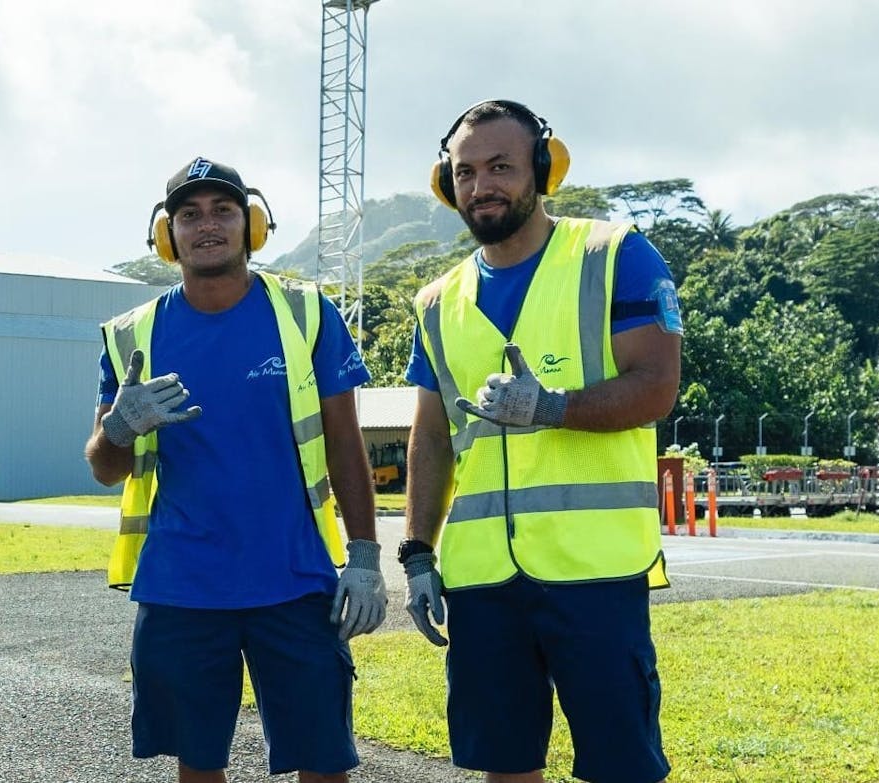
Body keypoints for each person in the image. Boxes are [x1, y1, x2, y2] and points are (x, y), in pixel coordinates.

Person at [396, 99, 683, 783]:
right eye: (465, 172)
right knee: (505, 762)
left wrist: (553, 407)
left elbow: (656, 385)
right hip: (482, 579)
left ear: (543, 170)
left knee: (622, 766)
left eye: (500, 166)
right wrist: (415, 554)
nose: (481, 185)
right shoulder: (437, 302)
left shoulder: (614, 255)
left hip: (596, 572)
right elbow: (431, 437)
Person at [84, 158, 380, 782]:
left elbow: (345, 443)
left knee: (323, 762)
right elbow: (105, 469)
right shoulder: (132, 333)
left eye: (223, 210)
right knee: (199, 763)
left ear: (253, 225)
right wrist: (118, 427)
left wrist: (364, 558)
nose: (207, 225)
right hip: (182, 587)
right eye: (188, 214)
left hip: (296, 582)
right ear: (168, 236)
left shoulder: (305, 313)